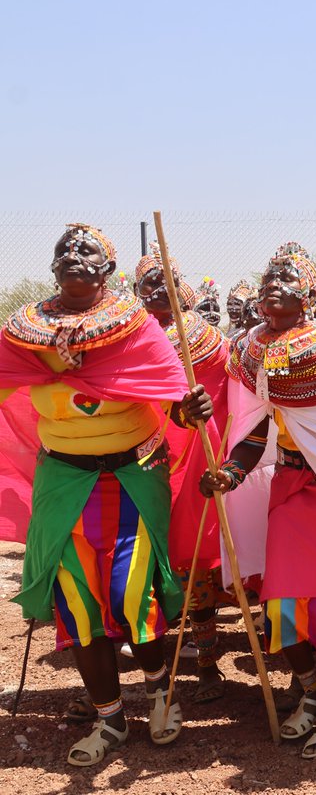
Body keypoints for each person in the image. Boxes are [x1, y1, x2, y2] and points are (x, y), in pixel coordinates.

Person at [2, 224, 211, 766]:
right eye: (63, 249)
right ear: (53, 267)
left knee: (130, 592)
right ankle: (110, 718)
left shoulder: (135, 328)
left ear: (108, 270)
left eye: (87, 250)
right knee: (79, 604)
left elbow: (168, 397)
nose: (73, 255)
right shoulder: (25, 334)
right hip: (64, 484)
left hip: (131, 479)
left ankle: (161, 692)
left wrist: (188, 409)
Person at [201, 246, 316, 759]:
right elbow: (257, 429)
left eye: (286, 277)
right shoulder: (253, 350)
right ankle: (309, 693)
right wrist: (231, 472)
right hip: (290, 493)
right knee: (281, 611)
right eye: (269, 274)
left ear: (308, 294)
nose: (273, 281)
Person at [135, 247, 231, 703]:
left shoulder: (210, 341)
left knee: (195, 558)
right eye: (149, 283)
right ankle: (155, 665)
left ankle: (208, 660)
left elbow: (228, 392)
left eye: (166, 281)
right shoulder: (125, 339)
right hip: (140, 460)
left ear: (183, 290)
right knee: (143, 563)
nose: (158, 290)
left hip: (196, 453)